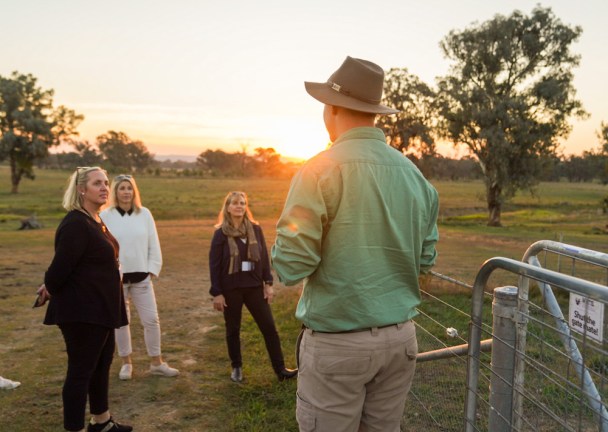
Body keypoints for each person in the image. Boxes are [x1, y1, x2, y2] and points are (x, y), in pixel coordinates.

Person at [271, 56, 439, 432]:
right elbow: (426, 260)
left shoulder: (319, 169)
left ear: (331, 109)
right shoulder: (415, 175)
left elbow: (291, 266)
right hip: (400, 338)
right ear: (373, 113)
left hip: (338, 344)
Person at [37, 167, 132, 432]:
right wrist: (49, 286)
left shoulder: (95, 219)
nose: (104, 187)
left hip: (101, 307)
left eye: (105, 182)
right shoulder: (75, 223)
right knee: (81, 372)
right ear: (81, 189)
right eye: (97, 183)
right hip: (83, 311)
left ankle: (101, 422)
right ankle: (74, 428)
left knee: (102, 365)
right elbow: (59, 269)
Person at [209, 191, 297, 383]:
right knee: (233, 329)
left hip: (254, 287)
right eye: (234, 203)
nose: (239, 206)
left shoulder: (255, 230)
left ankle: (280, 369)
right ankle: (237, 367)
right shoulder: (221, 233)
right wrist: (217, 293)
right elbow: (214, 265)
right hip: (231, 289)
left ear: (245, 206)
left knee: (269, 328)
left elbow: (264, 258)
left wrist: (268, 283)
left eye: (242, 203)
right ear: (228, 208)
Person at [100, 174, 179, 380]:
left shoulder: (144, 214)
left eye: (129, 188)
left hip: (142, 277)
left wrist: (152, 268)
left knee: (151, 320)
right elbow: (102, 246)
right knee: (121, 322)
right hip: (116, 279)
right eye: (122, 188)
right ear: (115, 192)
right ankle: (126, 363)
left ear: (134, 191)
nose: (126, 192)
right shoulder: (106, 215)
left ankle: (157, 362)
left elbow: (154, 242)